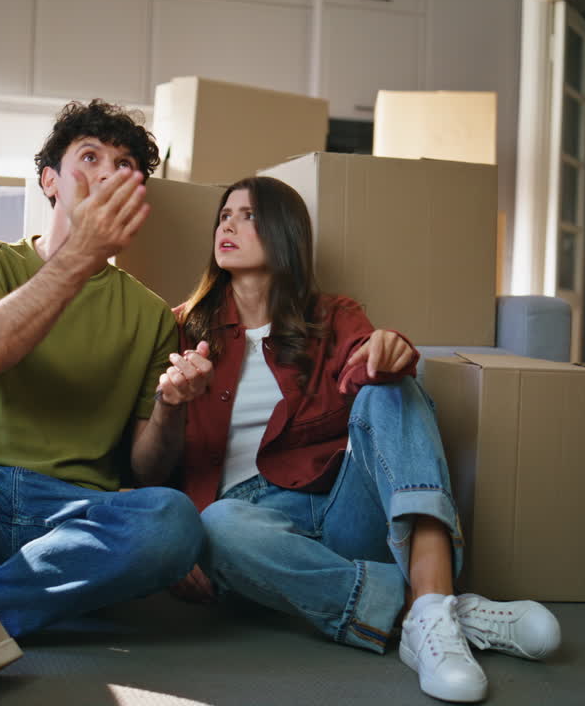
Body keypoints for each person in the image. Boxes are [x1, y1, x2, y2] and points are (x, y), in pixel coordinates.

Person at [162, 176, 560, 703]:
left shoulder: (331, 315)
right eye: (224, 215)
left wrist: (388, 349)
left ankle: (431, 610)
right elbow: (151, 456)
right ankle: (433, 608)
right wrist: (176, 540)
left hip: (342, 504)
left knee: (392, 386)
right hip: (254, 531)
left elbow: (366, 363)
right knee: (216, 525)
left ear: (286, 233)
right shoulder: (182, 330)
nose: (228, 224)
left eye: (250, 215)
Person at [0, 100, 211, 705]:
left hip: (71, 515)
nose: (107, 174)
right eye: (89, 158)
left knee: (173, 520)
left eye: (124, 166)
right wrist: (83, 255)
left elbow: (143, 470)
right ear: (49, 180)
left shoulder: (153, 315)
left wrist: (171, 404)